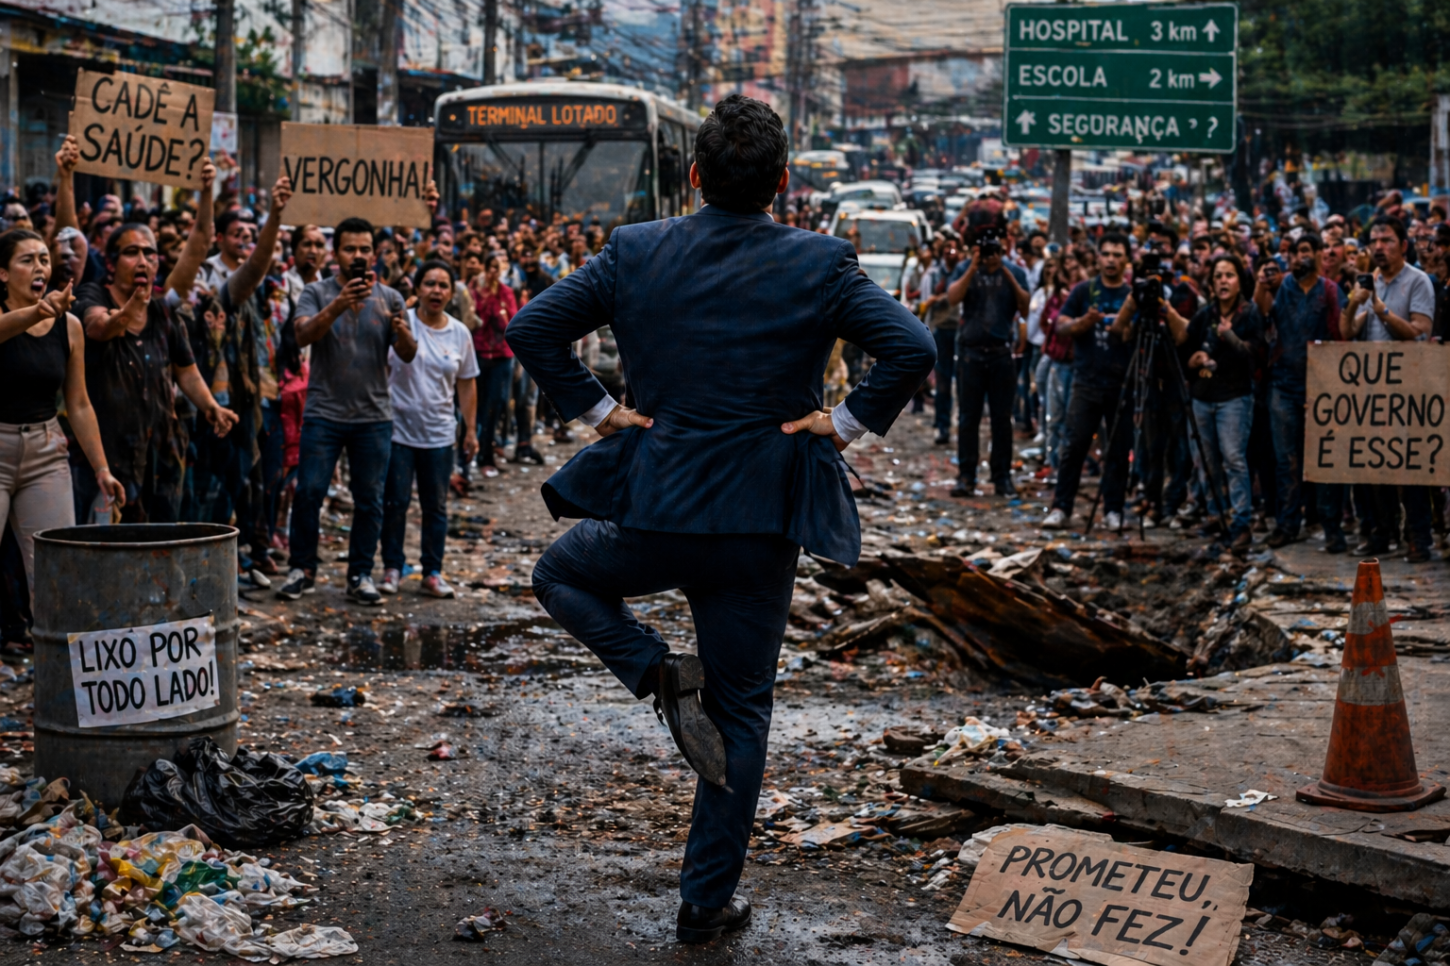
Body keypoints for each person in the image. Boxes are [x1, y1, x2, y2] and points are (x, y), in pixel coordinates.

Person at [509, 94, 934, 944]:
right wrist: (841, 424)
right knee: (741, 712)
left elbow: (532, 329)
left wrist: (601, 415)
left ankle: (657, 672)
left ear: (693, 175)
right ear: (782, 182)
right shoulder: (821, 262)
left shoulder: (636, 250)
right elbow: (913, 348)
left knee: (558, 572)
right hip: (758, 527)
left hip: (655, 512)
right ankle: (705, 904)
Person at [73, 160, 239, 523]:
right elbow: (99, 329)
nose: (144, 260)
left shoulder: (161, 312)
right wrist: (129, 310)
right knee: (106, 548)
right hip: (104, 457)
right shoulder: (92, 295)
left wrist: (211, 406)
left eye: (150, 253)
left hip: (160, 453)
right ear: (111, 261)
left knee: (159, 544)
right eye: (132, 252)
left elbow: (186, 371)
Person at [277, 212, 421, 605]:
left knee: (370, 499)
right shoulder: (317, 292)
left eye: (364, 249)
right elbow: (302, 334)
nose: (357, 255)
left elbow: (407, 355)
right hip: (324, 412)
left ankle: (360, 573)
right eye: (350, 249)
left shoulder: (390, 297)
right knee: (309, 492)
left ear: (374, 254)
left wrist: (405, 333)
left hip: (373, 416)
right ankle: (301, 568)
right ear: (335, 253)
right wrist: (340, 303)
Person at [0, 230, 124, 590]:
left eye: (44, 258)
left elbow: (80, 403)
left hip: (45, 453)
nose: (40, 267)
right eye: (27, 260)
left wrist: (102, 469)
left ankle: (52, 648)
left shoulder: (68, 325)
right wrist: (37, 311)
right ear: (3, 274)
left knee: (57, 573)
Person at [379, 261, 479, 598]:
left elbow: (466, 385)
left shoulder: (460, 333)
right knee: (395, 502)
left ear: (452, 292)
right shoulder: (400, 325)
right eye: (430, 284)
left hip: (439, 433)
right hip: (398, 431)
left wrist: (470, 431)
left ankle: (432, 572)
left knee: (435, 505)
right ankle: (392, 567)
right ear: (417, 289)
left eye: (443, 285)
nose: (436, 291)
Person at [1342, 215, 1437, 561]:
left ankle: (1419, 538)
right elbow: (1348, 332)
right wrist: (1356, 300)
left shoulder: (1418, 281)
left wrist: (1380, 309)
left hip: (1409, 389)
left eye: (1387, 241)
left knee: (1409, 466)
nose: (1378, 247)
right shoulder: (1370, 282)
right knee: (1373, 463)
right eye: (1374, 241)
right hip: (1371, 390)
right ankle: (1383, 533)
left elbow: (1418, 331)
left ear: (1403, 245)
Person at [1169, 254, 1263, 555]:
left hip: (1233, 398)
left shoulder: (1249, 314)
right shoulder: (1205, 314)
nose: (1224, 280)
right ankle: (1216, 514)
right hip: (1202, 398)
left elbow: (1254, 356)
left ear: (1240, 281)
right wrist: (1193, 360)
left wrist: (1230, 336)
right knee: (1205, 461)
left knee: (1234, 460)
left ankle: (1240, 523)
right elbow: (1184, 346)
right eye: (1219, 276)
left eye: (1230, 275)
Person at [1041, 233, 1135, 531]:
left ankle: (1113, 509)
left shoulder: (1132, 295)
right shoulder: (1084, 291)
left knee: (1118, 451)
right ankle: (1061, 507)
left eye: (1117, 255)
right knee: (1074, 446)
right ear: (1097, 258)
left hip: (1120, 383)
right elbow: (1061, 325)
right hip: (1086, 381)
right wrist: (1085, 322)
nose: (1110, 260)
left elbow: (1138, 334)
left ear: (1126, 260)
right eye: (1106, 253)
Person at [1253, 231, 1340, 548]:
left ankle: (1330, 526)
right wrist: (1262, 282)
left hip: (1320, 385)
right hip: (1283, 384)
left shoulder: (1329, 290)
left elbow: (1341, 334)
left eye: (1306, 251)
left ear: (1318, 254)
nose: (1299, 257)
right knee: (1285, 459)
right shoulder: (1283, 284)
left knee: (1323, 459)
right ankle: (1288, 524)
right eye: (1295, 252)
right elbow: (1259, 314)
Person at [946, 233, 1029, 497]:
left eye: (994, 249)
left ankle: (1001, 476)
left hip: (1000, 353)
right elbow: (952, 297)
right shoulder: (966, 268)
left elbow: (1026, 306)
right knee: (968, 418)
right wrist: (973, 266)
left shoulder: (1013, 271)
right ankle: (966, 475)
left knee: (1002, 419)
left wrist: (1004, 269)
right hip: (971, 352)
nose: (990, 254)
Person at [470, 253, 518, 477]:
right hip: (479, 353)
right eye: (489, 268)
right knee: (474, 407)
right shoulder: (474, 292)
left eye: (495, 268)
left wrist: (497, 307)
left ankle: (486, 455)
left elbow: (510, 325)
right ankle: (472, 451)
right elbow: (472, 321)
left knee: (494, 406)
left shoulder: (505, 293)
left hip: (500, 356)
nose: (492, 272)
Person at [920, 239, 960, 445]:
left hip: (961, 330)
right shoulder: (935, 273)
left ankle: (956, 424)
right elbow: (928, 302)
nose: (951, 254)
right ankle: (942, 424)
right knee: (943, 381)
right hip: (942, 329)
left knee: (960, 382)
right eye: (947, 250)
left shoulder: (963, 271)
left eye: (954, 250)